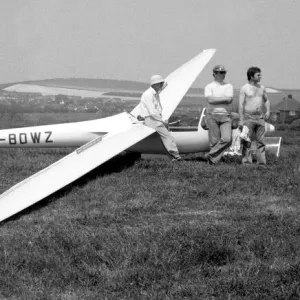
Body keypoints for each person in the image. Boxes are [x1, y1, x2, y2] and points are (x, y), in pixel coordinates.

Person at [137, 75, 182, 161]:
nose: (161, 86)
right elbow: (152, 112)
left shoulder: (154, 93)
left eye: (161, 84)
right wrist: (162, 121)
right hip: (152, 119)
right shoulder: (149, 94)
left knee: (165, 136)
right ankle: (175, 156)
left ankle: (172, 156)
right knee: (168, 136)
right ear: (154, 84)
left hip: (153, 118)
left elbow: (166, 84)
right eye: (160, 84)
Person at [238, 67, 270, 165]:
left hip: (260, 117)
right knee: (247, 140)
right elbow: (240, 104)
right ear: (251, 76)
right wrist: (241, 120)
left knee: (261, 141)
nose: (261, 76)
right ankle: (246, 162)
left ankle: (261, 162)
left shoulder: (262, 88)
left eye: (260, 74)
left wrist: (268, 111)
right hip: (249, 117)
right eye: (258, 75)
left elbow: (267, 100)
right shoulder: (244, 88)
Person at [204, 65, 234, 164]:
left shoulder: (229, 86)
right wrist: (223, 99)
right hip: (211, 115)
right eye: (221, 72)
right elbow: (210, 100)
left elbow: (229, 100)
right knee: (214, 141)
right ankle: (213, 162)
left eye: (224, 72)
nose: (223, 74)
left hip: (226, 115)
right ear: (214, 74)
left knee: (227, 139)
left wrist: (215, 99)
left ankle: (210, 155)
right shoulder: (209, 86)